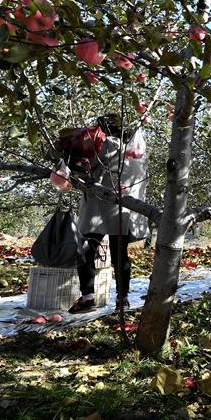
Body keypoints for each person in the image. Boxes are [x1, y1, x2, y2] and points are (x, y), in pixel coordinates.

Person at [70, 114, 149, 313]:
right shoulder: (135, 150)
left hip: (98, 206)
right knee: (120, 256)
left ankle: (88, 297)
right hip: (122, 209)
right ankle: (122, 299)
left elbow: (84, 168)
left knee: (85, 250)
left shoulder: (107, 144)